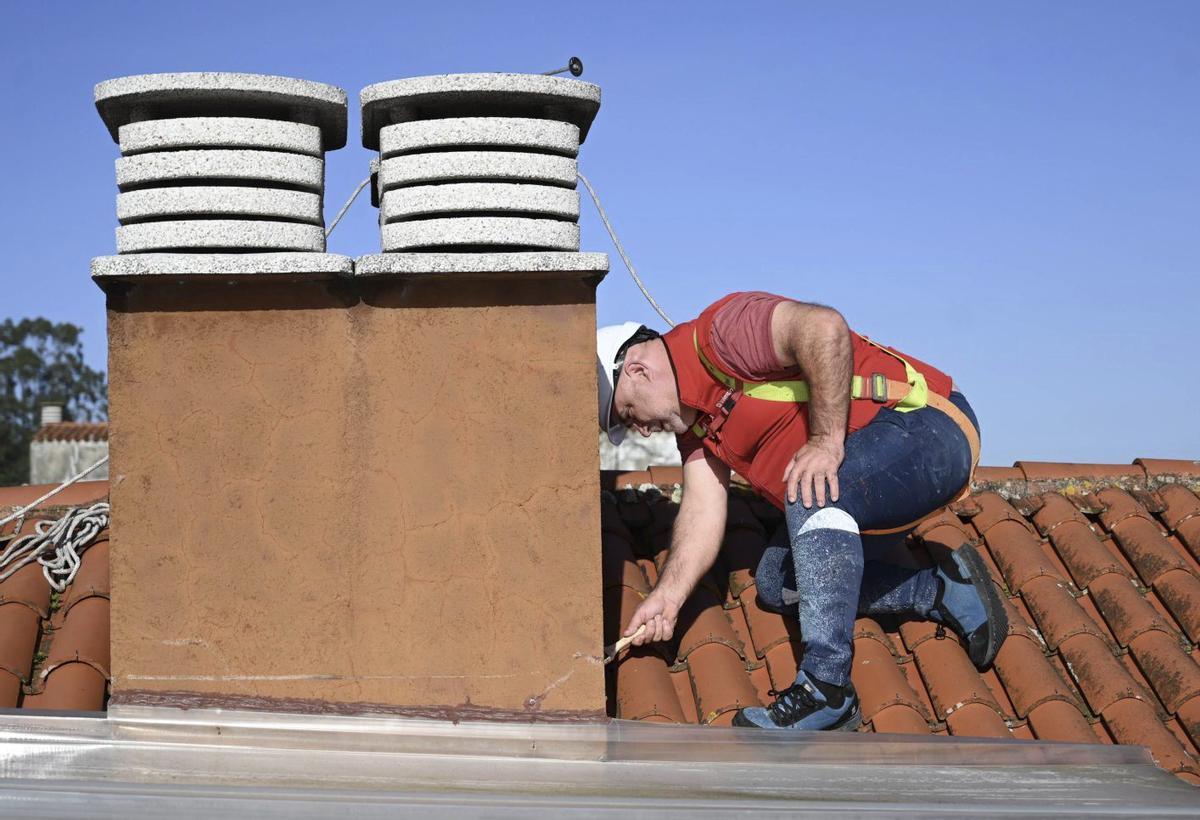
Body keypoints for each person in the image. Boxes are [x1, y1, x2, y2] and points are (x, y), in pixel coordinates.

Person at [596, 291, 1006, 731]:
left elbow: (824, 327)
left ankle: (827, 687)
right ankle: (940, 589)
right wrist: (668, 598)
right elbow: (701, 514)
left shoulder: (720, 335)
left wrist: (826, 442)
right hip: (877, 485)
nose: (639, 429)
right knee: (778, 582)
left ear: (637, 369)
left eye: (628, 414)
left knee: (810, 490)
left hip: (931, 426)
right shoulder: (696, 428)